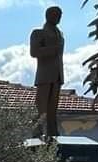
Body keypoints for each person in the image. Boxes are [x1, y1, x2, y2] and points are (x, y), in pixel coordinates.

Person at [30, 6, 64, 138]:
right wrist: (52, 49)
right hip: (44, 74)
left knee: (53, 108)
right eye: (56, 15)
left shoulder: (60, 34)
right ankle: (37, 131)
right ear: (49, 16)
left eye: (60, 15)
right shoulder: (38, 33)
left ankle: (52, 132)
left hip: (57, 75)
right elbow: (34, 52)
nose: (59, 18)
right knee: (41, 105)